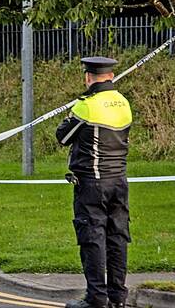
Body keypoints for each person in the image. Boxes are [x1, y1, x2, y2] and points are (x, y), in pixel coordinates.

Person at [56, 57, 133, 308]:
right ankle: (118, 297)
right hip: (119, 180)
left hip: (91, 182)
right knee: (117, 238)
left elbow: (63, 136)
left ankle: (96, 298)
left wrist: (73, 112)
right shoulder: (123, 102)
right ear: (111, 76)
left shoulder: (86, 106)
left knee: (93, 238)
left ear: (88, 77)